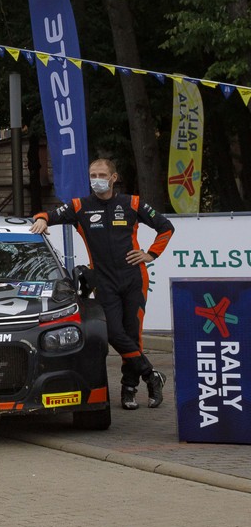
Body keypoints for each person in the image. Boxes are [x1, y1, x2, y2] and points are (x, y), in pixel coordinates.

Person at [30, 158, 173, 410]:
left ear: (113, 177)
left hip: (134, 278)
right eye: (92, 174)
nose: (96, 178)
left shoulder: (132, 202)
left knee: (132, 334)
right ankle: (151, 375)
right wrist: (41, 218)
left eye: (101, 174)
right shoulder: (79, 206)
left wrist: (151, 254)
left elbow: (165, 227)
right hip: (103, 281)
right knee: (114, 333)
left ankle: (129, 390)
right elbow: (49, 215)